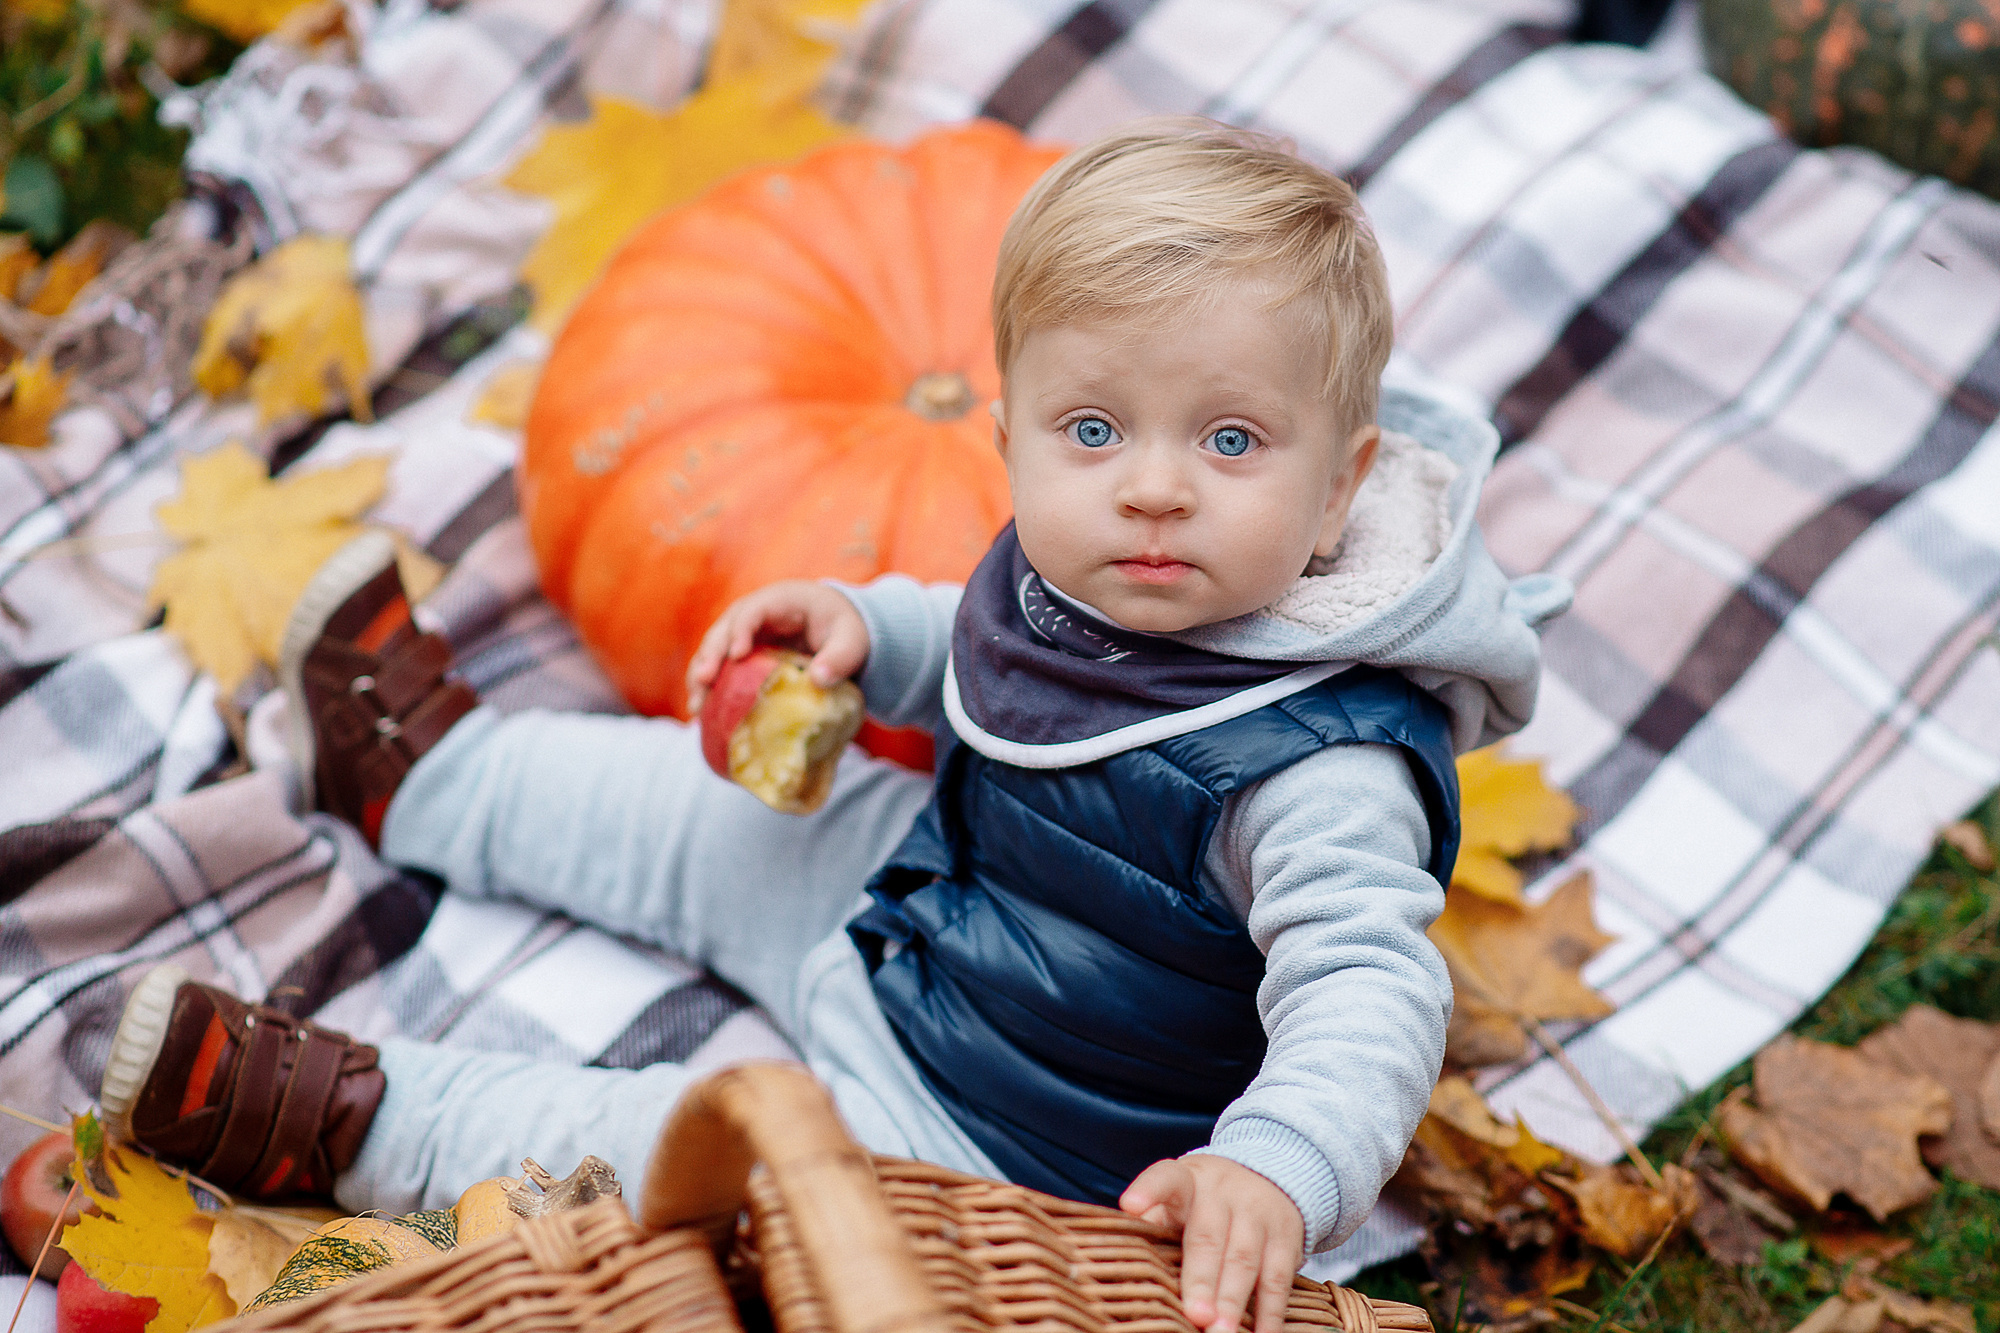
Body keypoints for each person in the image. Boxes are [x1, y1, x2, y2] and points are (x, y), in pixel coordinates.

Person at [96, 118, 1565, 1333]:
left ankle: (351, 1119)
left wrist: (1277, 1167)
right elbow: (996, 641)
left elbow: (1369, 991)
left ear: (1340, 483)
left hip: (1003, 1138)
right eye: (1094, 429)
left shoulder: (1322, 765)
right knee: (708, 815)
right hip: (921, 902)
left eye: (1232, 439)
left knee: (679, 1156)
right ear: (1011, 436)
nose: (1154, 485)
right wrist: (878, 633)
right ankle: (436, 782)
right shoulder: (1113, 552)